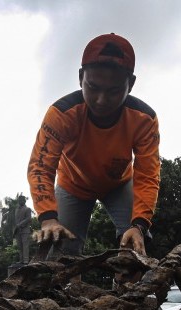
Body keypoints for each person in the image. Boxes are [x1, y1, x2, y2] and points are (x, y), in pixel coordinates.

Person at [27, 33, 160, 258]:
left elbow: (148, 175)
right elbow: (41, 168)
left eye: (114, 91)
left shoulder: (144, 119)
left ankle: (128, 289)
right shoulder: (60, 114)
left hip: (119, 185)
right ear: (80, 78)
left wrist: (139, 225)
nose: (101, 99)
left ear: (131, 84)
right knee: (60, 249)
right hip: (72, 186)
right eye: (93, 87)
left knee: (136, 247)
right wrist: (48, 218)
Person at [14, 195, 33, 263]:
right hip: (18, 231)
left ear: (24, 201)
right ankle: (21, 260)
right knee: (20, 246)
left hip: (25, 230)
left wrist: (19, 224)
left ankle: (26, 260)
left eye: (22, 200)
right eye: (19, 200)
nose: (20, 201)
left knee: (25, 246)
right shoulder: (16, 210)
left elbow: (28, 219)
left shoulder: (27, 209)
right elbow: (16, 220)